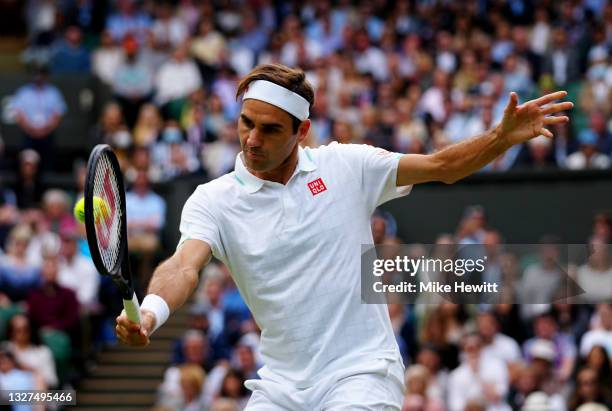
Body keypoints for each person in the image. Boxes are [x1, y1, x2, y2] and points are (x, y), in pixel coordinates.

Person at [116, 63, 572, 409]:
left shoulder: (347, 166)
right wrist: (152, 314)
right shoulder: (212, 200)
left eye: (271, 129)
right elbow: (183, 265)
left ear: (302, 131)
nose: (252, 139)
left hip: (363, 373)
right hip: (278, 386)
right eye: (246, 123)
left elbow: (442, 166)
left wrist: (501, 137)